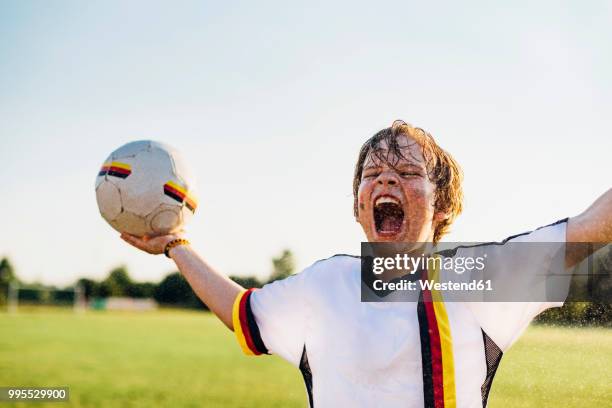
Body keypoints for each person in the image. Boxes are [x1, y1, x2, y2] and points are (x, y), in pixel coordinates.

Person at [120, 120, 611, 408]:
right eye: (373, 173)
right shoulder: (324, 285)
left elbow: (592, 226)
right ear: (358, 208)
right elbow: (242, 312)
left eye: (407, 172)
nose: (385, 181)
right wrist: (175, 244)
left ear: (443, 208)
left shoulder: (477, 277)